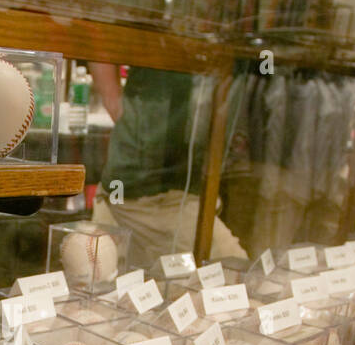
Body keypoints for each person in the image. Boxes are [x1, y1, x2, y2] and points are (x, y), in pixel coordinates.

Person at [87, 62, 247, 267]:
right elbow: (101, 44)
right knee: (236, 275)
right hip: (152, 191)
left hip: (175, 185)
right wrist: (124, 115)